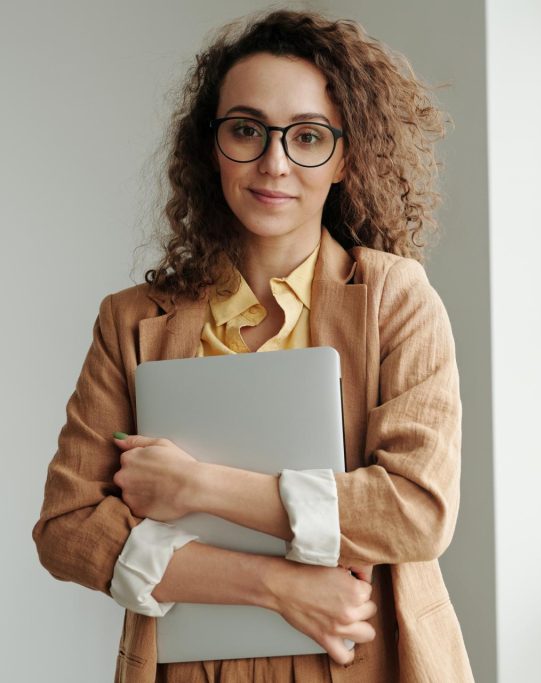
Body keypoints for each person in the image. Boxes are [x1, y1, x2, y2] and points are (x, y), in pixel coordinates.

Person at [31, 9, 472, 683]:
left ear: (346, 155)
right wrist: (277, 584)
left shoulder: (395, 299)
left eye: (307, 136)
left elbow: (415, 509)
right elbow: (67, 529)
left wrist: (197, 484)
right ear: (212, 146)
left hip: (369, 660)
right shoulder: (130, 322)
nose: (274, 162)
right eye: (246, 130)